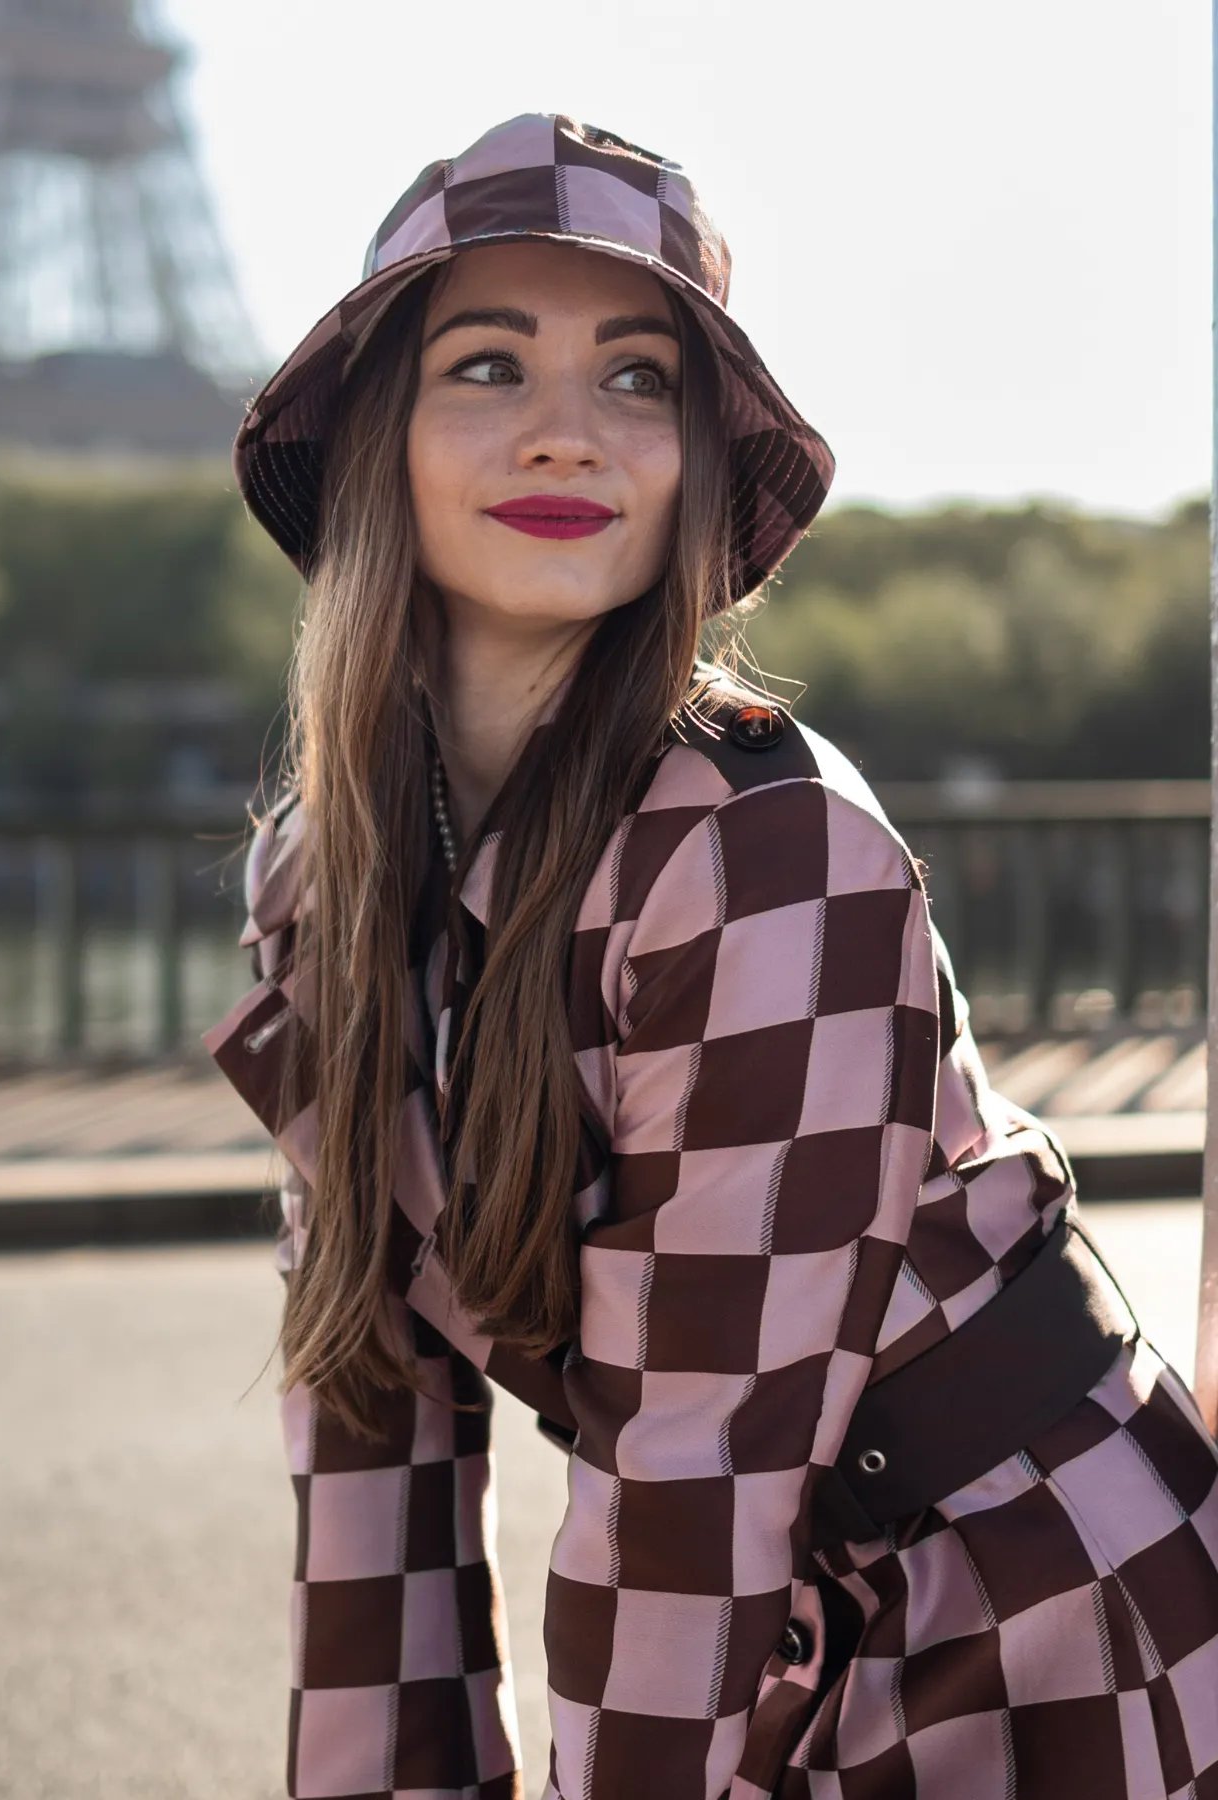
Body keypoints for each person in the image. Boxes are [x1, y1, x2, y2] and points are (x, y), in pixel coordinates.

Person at [207, 114, 1218, 1800]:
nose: (565, 434)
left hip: (1040, 1617)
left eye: (638, 380)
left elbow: (694, 1480)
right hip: (774, 1614)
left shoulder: (767, 854)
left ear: (690, 460)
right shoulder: (323, 883)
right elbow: (370, 1446)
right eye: (485, 365)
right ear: (379, 438)